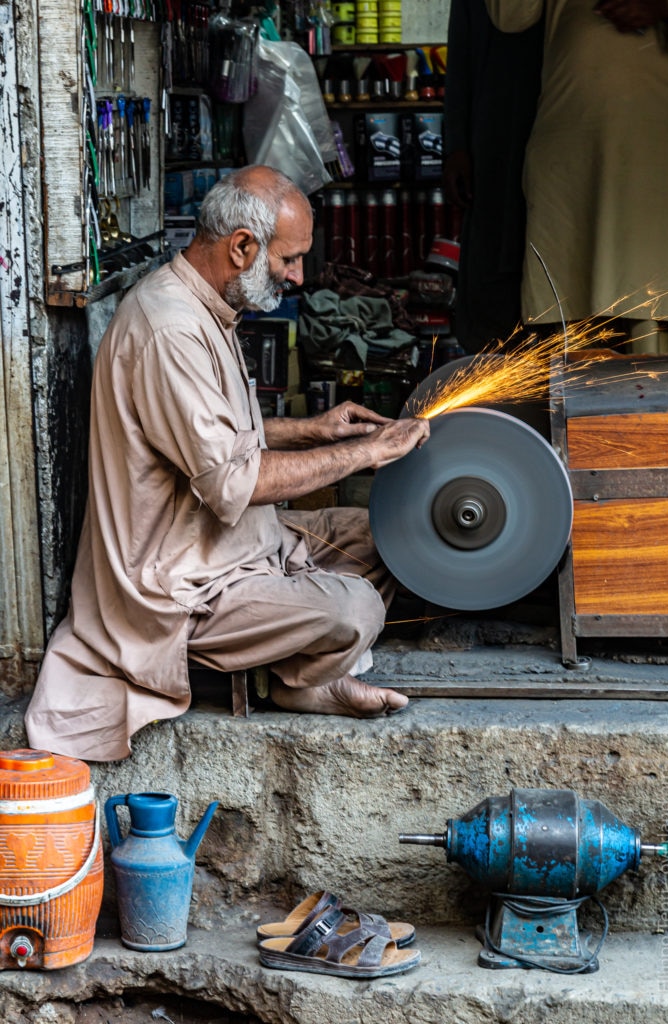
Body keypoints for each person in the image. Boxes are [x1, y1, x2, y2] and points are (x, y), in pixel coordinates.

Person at [25, 165, 430, 762]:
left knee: (394, 535)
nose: (298, 276)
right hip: (180, 585)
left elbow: (206, 439)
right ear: (242, 247)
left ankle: (293, 670)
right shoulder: (170, 328)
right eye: (289, 259)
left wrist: (310, 429)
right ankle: (297, 676)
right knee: (355, 608)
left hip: (237, 545)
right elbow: (232, 481)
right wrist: (366, 453)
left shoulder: (205, 304)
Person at [485, 0, 668, 353]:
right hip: (570, 152)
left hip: (657, 148)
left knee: (657, 326)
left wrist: (666, 6)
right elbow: (509, 16)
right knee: (574, 331)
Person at [442, 0, 544, 352]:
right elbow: (461, 55)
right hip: (495, 131)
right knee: (495, 249)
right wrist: (456, 143)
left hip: (558, 116)